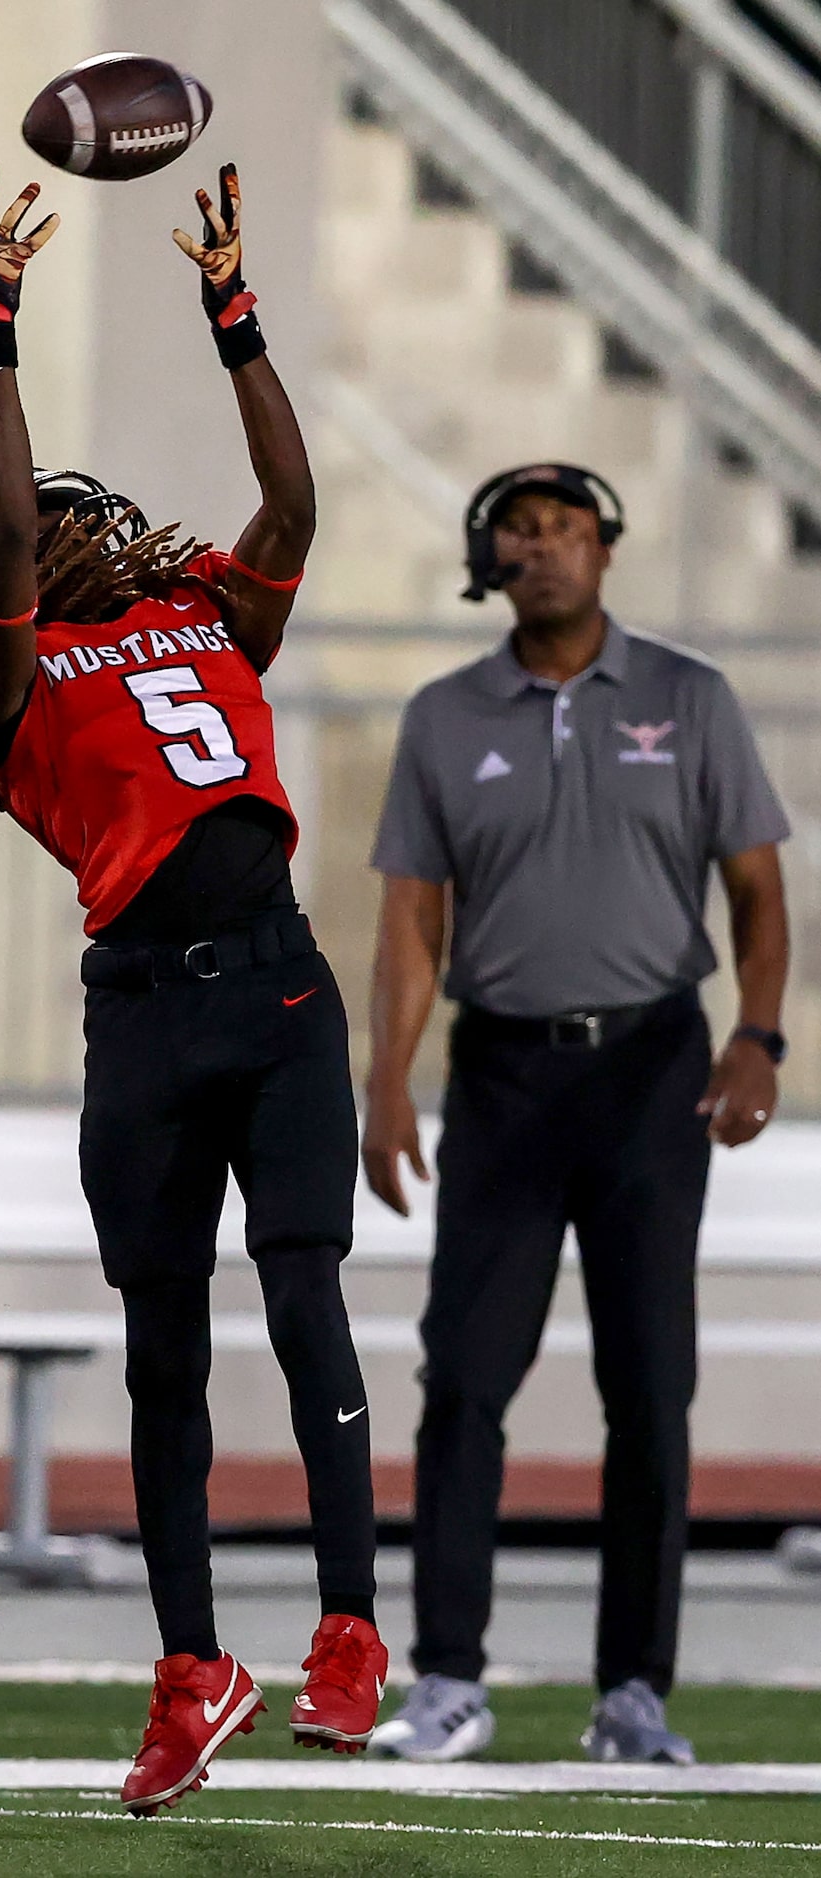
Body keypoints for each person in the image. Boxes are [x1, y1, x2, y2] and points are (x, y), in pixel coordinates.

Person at [0, 160, 387, 1816]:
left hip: (277, 984)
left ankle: (344, 1629)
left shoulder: (192, 609)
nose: (113, 531)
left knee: (303, 1281)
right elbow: (20, 536)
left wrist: (234, 319)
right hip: (147, 1005)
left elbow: (293, 508)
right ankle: (190, 1665)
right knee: (158, 1344)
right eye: (63, 526)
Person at [363, 463, 790, 1765]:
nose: (540, 548)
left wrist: (757, 1036)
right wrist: (384, 1074)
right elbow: (412, 917)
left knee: (648, 1382)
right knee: (464, 1379)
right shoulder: (444, 717)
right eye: (516, 531)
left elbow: (758, 895)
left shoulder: (687, 699)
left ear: (605, 549)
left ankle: (633, 1691)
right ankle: (445, 1678)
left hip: (650, 1069)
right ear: (484, 560)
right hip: (501, 1075)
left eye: (563, 529)